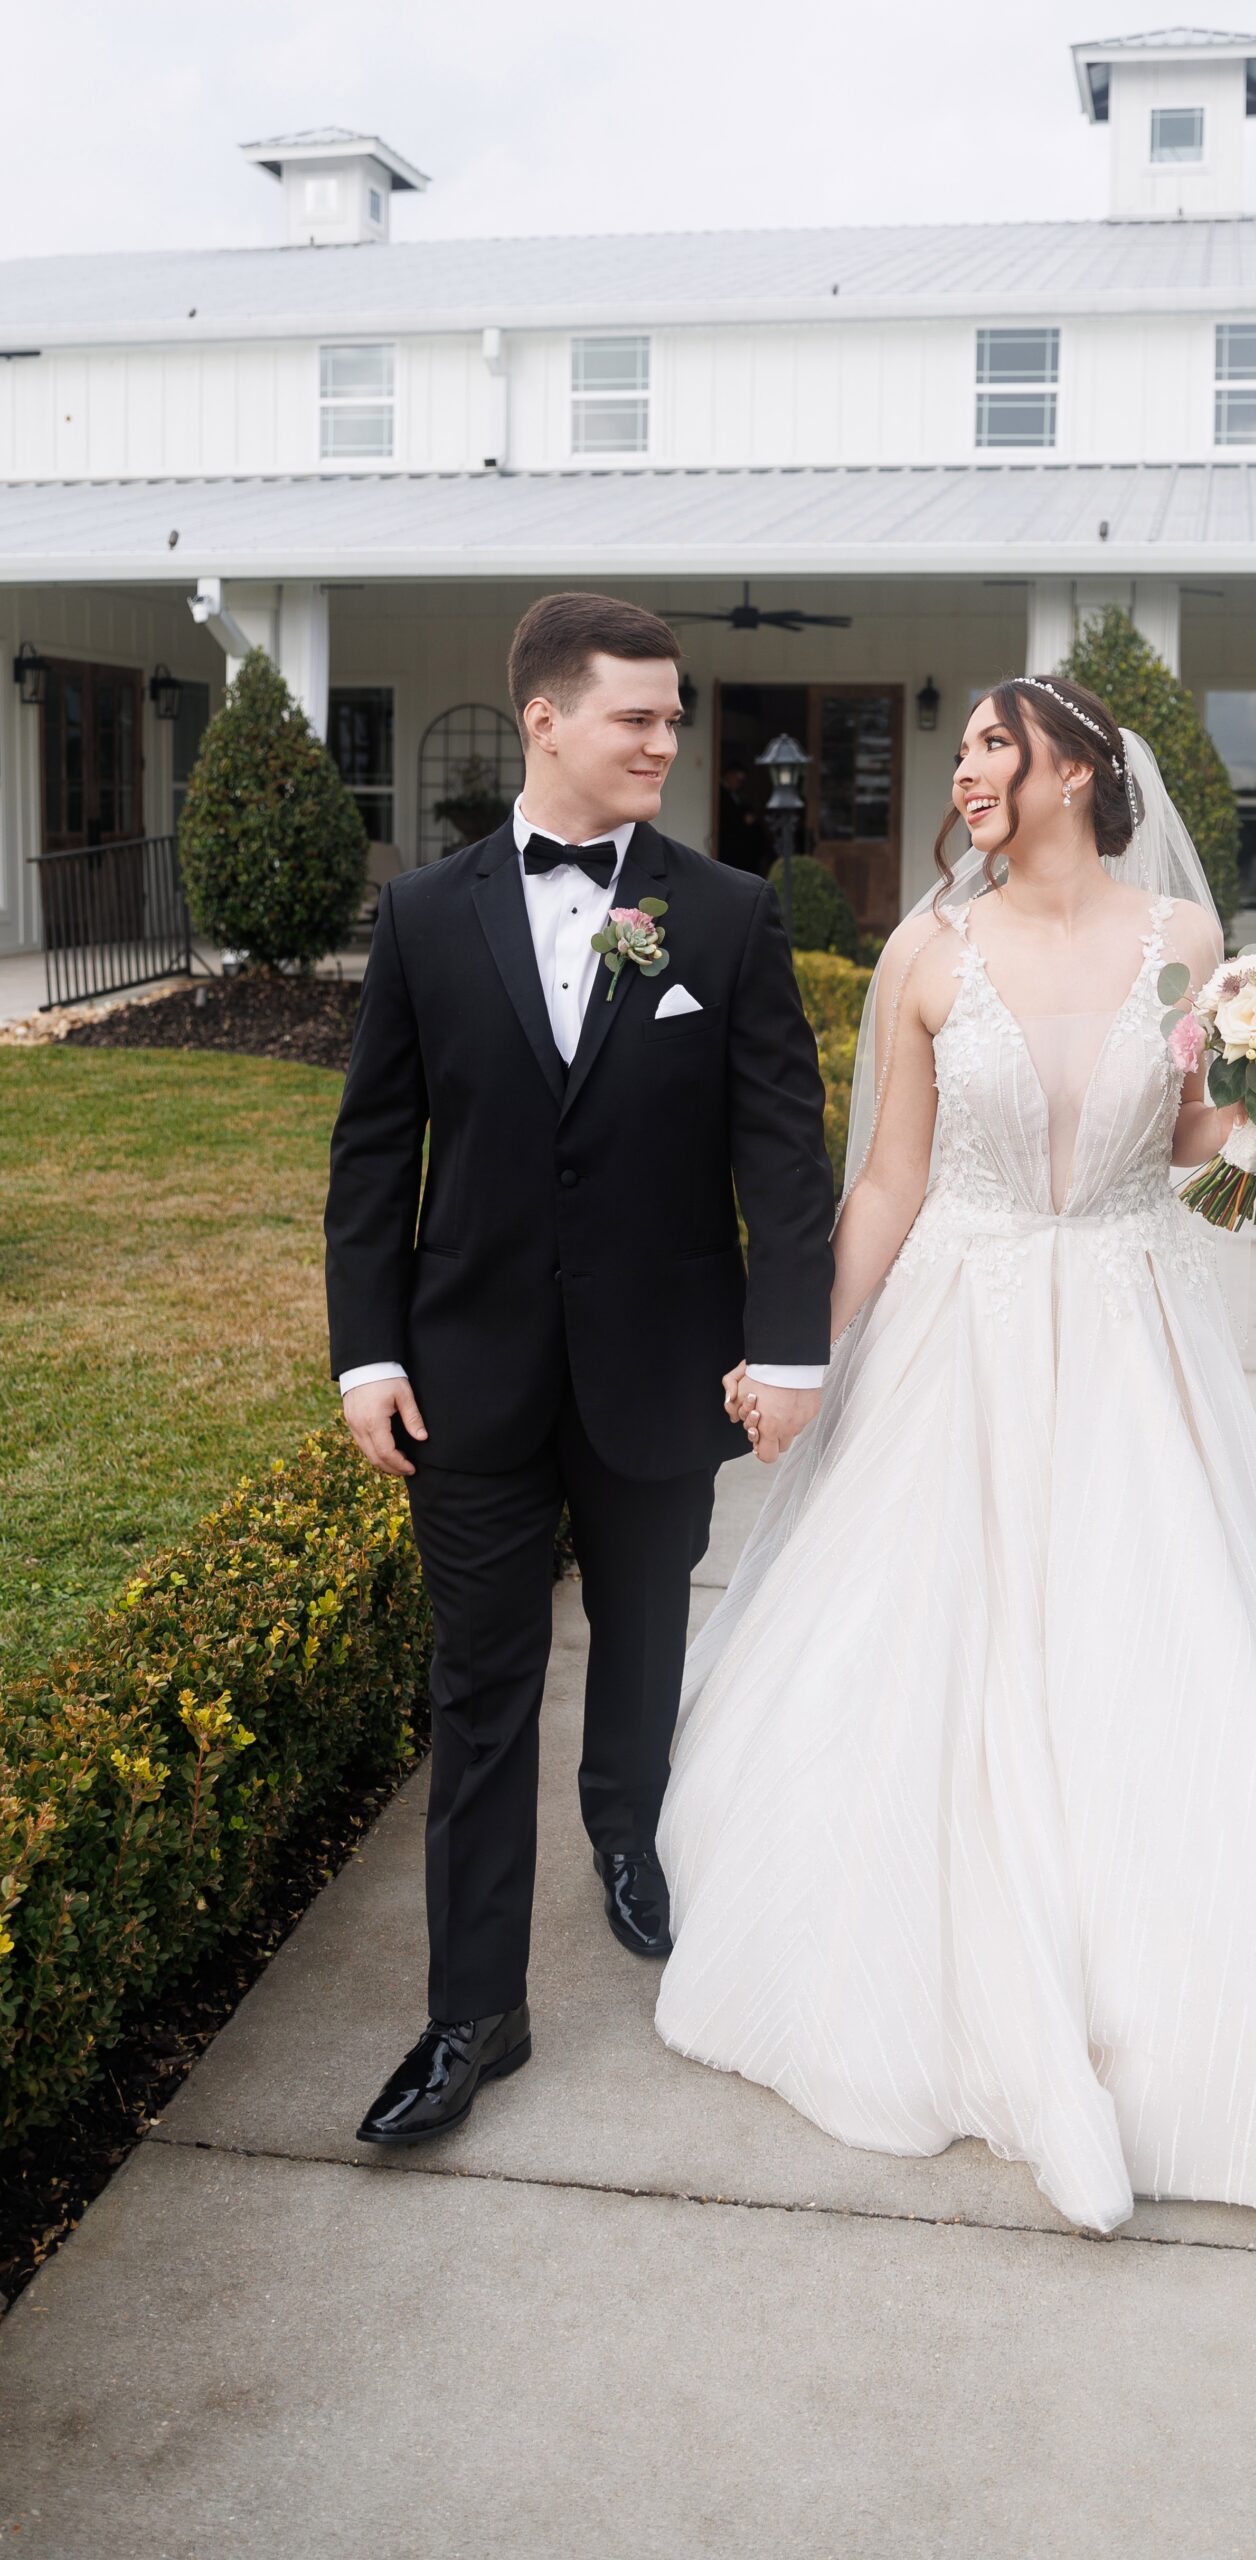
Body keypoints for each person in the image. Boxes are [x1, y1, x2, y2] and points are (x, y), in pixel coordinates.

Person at [654, 673, 1256, 2236]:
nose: (963, 771)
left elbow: (1185, 1163)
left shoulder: (1180, 942)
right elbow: (887, 1184)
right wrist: (800, 1354)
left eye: (992, 744)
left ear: (1078, 772)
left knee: (1145, 1646)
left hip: (1122, 1335)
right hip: (952, 1336)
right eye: (962, 746)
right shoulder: (924, 952)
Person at [326, 591, 836, 2147]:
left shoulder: (725, 916)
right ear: (544, 720)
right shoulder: (425, 916)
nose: (666, 741)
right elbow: (374, 1154)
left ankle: (628, 1832)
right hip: (466, 1375)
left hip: (660, 1367)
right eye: (637, 716)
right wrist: (366, 1354)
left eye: (673, 717)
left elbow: (782, 1157)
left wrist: (786, 1351)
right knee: (477, 1690)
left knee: (639, 1637)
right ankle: (473, 2011)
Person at [717, 758, 771, 878]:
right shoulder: (720, 793)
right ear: (729, 775)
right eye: (738, 780)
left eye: (742, 781)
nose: (739, 784)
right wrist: (743, 819)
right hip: (730, 844)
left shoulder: (736, 794)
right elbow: (727, 818)